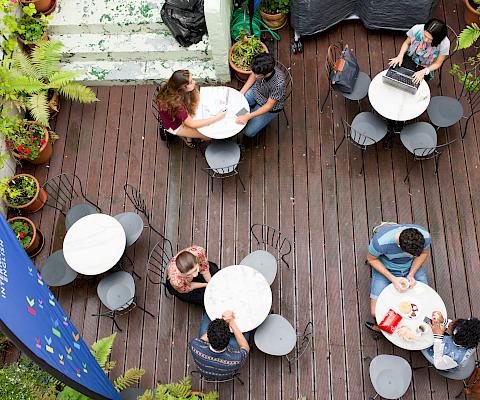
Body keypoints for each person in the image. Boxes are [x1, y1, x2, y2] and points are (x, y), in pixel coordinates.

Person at [365, 223, 431, 332]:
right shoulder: (381, 242)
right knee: (375, 312)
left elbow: (424, 253)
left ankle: (399, 327)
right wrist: (393, 279)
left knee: (425, 300)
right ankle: (392, 328)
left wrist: (411, 274)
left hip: (412, 267)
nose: (413, 256)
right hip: (386, 269)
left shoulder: (425, 236)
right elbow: (371, 259)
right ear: (399, 246)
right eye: (410, 254)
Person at [155, 70, 225, 147]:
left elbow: (196, 94)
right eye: (191, 82)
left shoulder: (174, 86)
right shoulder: (176, 105)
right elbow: (191, 124)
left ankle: (190, 138)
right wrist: (217, 117)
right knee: (208, 136)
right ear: (183, 88)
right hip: (174, 125)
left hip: (179, 117)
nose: (194, 82)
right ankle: (190, 140)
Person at [188, 310, 250, 381]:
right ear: (229, 339)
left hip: (205, 372)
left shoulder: (194, 346)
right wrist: (232, 323)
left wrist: (221, 322)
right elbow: (245, 347)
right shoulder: (236, 359)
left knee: (208, 314)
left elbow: (201, 341)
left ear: (208, 334)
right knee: (246, 331)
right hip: (225, 375)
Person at [236, 53, 286, 138]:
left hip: (267, 106)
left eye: (256, 74)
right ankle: (248, 110)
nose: (253, 74)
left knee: (249, 132)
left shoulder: (278, 84)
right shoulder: (260, 68)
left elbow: (269, 106)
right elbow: (253, 75)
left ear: (266, 73)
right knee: (237, 113)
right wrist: (242, 92)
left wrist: (248, 116)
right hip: (256, 92)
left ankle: (250, 112)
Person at [389, 18, 449, 84]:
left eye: (430, 39)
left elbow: (438, 63)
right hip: (411, 57)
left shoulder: (445, 44)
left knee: (415, 83)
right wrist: (400, 56)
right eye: (425, 35)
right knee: (398, 76)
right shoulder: (416, 29)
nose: (425, 40)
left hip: (427, 66)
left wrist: (424, 71)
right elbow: (406, 43)